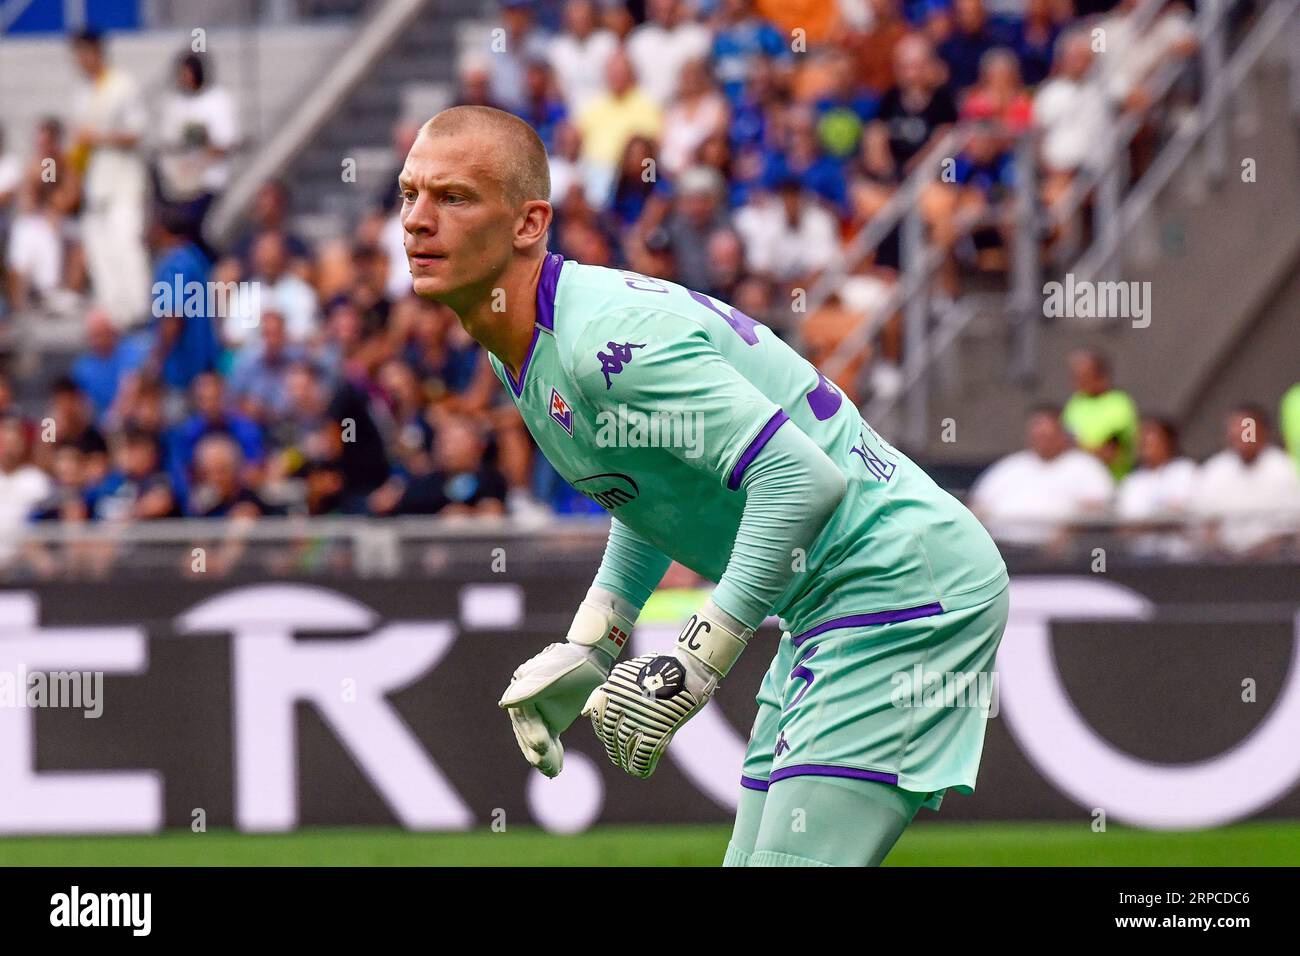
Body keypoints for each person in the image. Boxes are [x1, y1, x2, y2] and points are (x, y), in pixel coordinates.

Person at [398, 105, 1009, 867]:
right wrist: (596, 640)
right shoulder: (527, 339)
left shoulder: (599, 346)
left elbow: (798, 476)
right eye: (409, 194)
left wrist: (698, 655)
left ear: (529, 223)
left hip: (904, 591)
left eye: (453, 198)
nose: (418, 222)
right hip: (837, 602)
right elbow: (655, 486)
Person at [70, 30, 151, 330]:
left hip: (124, 183)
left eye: (83, 53)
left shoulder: (122, 86)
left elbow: (137, 132)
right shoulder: (83, 94)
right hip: (96, 183)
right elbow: (79, 145)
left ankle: (138, 311)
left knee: (125, 243)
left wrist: (99, 137)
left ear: (97, 52)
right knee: (98, 247)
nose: (79, 60)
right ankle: (113, 315)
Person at [969, 406, 1114, 547]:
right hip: (1002, 547)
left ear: (1062, 434)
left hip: (1057, 553)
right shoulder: (1009, 466)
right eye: (1036, 433)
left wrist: (1067, 533)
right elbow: (977, 506)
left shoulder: (1085, 466)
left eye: (1046, 434)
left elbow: (1096, 510)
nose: (1041, 438)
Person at [1190, 405, 1300, 556]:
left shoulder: (1284, 468)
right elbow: (1204, 523)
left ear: (1264, 432)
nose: (1242, 434)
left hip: (1274, 559)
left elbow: (1292, 525)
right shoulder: (1214, 469)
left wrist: (1260, 552)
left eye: (1248, 428)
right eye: (1236, 429)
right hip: (1223, 560)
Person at [1061, 349, 1140, 479]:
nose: (1077, 381)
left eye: (1084, 376)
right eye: (1075, 376)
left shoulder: (1119, 404)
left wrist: (1078, 449)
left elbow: (1111, 454)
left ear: (1101, 375)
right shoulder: (1074, 404)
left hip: (1111, 485)